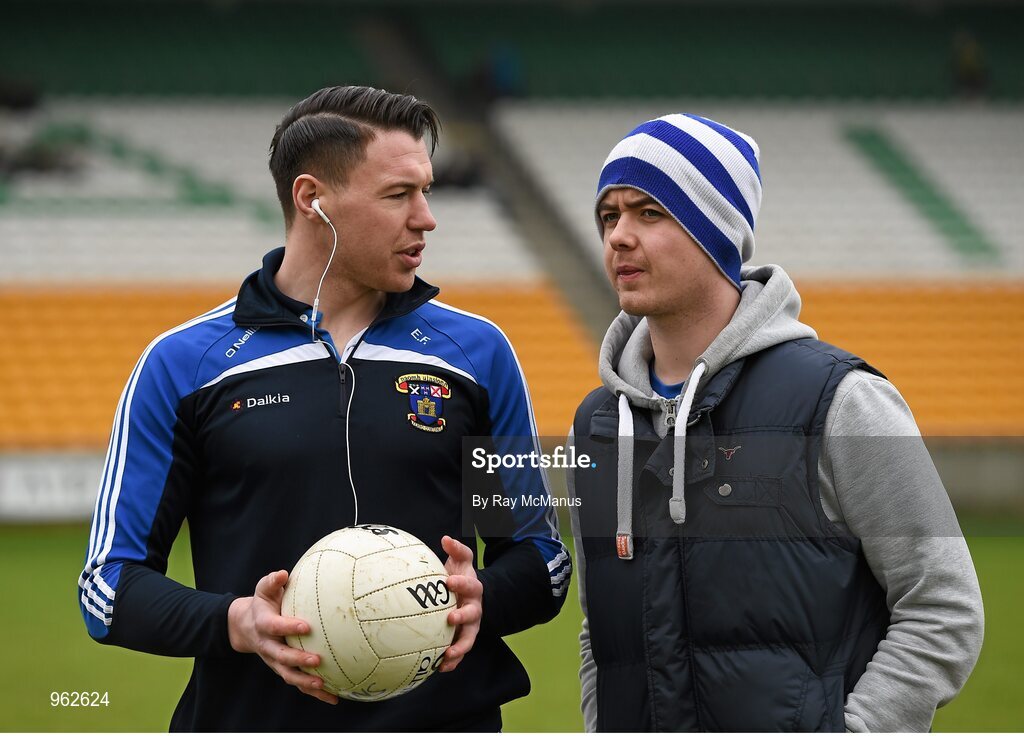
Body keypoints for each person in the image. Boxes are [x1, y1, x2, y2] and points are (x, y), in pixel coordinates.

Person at [78, 86, 571, 732]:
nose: (427, 218)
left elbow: (542, 561)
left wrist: (488, 596)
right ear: (314, 200)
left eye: (426, 191)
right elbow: (109, 588)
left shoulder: (476, 355)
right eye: (399, 195)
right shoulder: (184, 366)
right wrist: (236, 623)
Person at [566, 113, 984, 732]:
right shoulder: (598, 424)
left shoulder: (841, 399)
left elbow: (943, 607)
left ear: (716, 231)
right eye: (610, 216)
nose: (619, 236)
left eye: (649, 213)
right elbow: (599, 631)